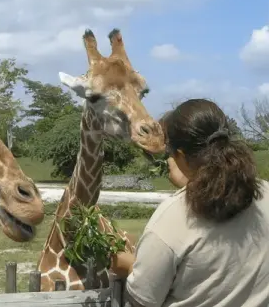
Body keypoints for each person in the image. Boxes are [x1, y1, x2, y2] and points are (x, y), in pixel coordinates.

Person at [110, 98, 269, 307]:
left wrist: (128, 266)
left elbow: (142, 300)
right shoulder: (263, 192)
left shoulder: (169, 221)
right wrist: (191, 182)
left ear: (181, 155)